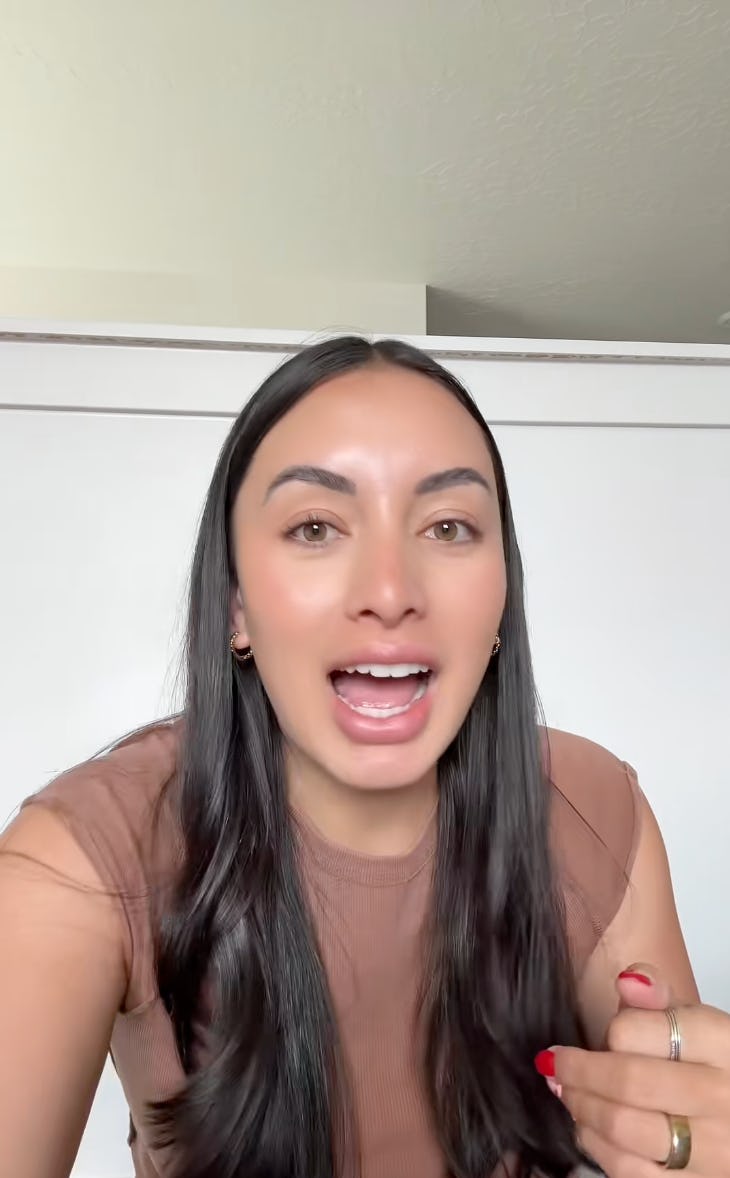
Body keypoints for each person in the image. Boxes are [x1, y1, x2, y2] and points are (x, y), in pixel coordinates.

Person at [0, 336, 726, 1178]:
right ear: (235, 606)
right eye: (315, 528)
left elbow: (679, 1134)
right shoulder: (81, 859)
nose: (389, 592)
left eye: (448, 527)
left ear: (500, 602)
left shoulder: (595, 810)